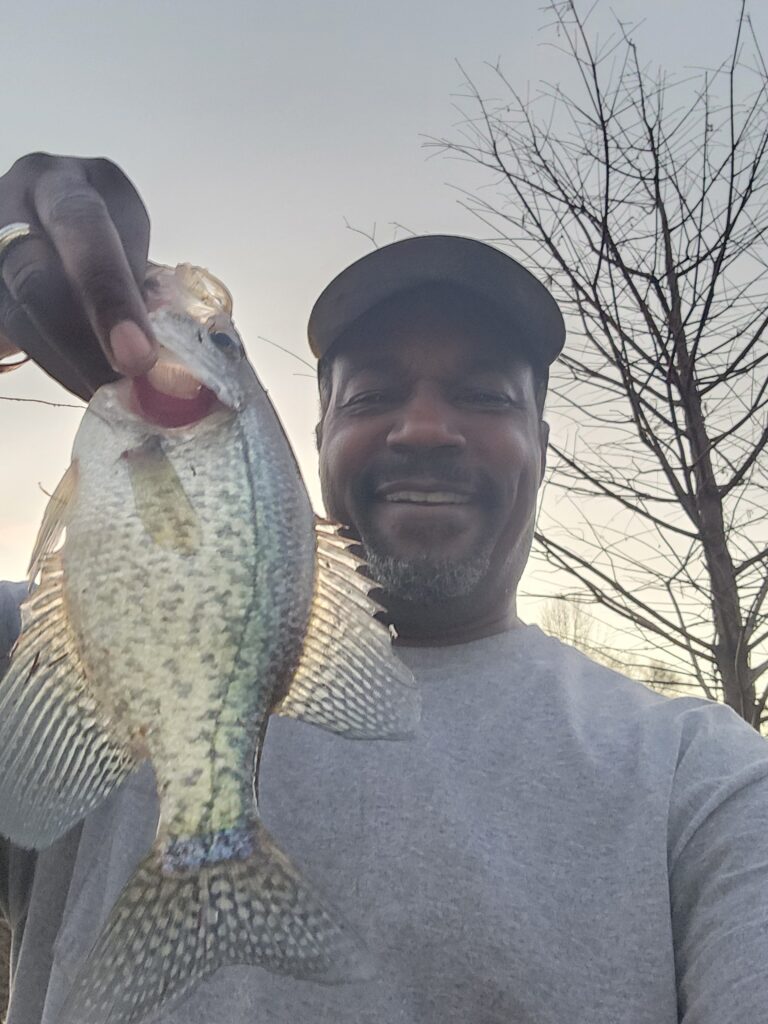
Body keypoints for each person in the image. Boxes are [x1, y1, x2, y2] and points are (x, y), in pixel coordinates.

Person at [1, 153, 767, 1024]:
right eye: (372, 397)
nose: (426, 428)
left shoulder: (706, 781)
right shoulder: (38, 662)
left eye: (484, 395)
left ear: (543, 444)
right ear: (316, 437)